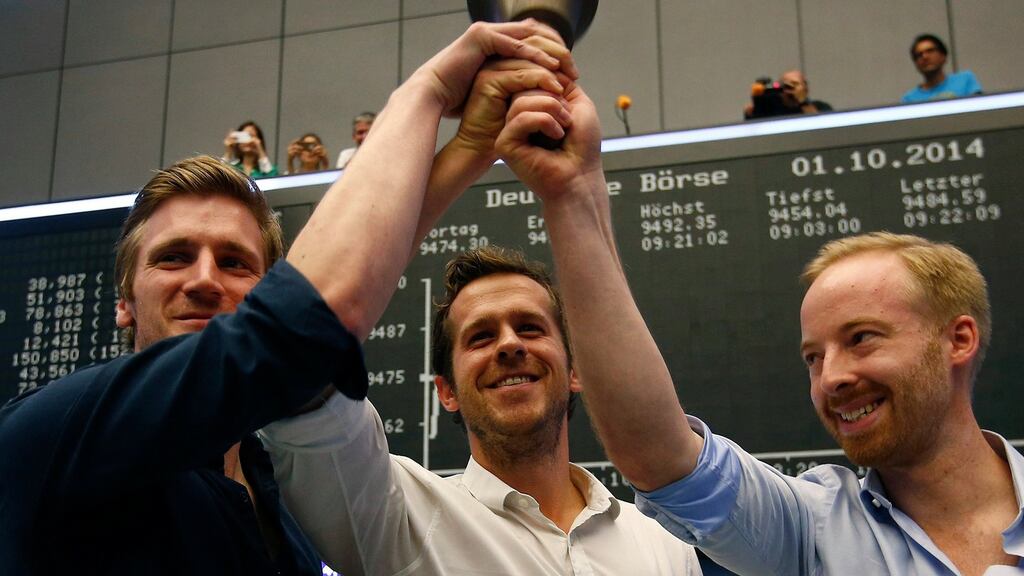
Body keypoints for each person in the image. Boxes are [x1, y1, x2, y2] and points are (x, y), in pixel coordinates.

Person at [0, 20, 570, 575]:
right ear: (124, 301)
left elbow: (298, 331)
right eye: (173, 257)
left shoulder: (284, 491)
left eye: (235, 263)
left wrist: (472, 145)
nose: (204, 279)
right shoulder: (58, 435)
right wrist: (427, 92)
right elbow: (298, 328)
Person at [259, 33, 701, 576]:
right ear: (444, 390)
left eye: (531, 328)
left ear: (578, 371)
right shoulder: (394, 518)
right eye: (480, 337)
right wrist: (459, 131)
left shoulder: (662, 544)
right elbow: (294, 350)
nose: (511, 345)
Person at [902, 33, 982, 103]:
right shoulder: (910, 99)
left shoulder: (965, 80)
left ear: (943, 56)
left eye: (930, 51)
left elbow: (979, 111)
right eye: (919, 55)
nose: (925, 57)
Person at [744, 70, 832, 119]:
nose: (790, 88)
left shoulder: (821, 107)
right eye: (786, 85)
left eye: (795, 84)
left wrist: (803, 101)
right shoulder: (772, 111)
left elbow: (821, 128)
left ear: (806, 89)